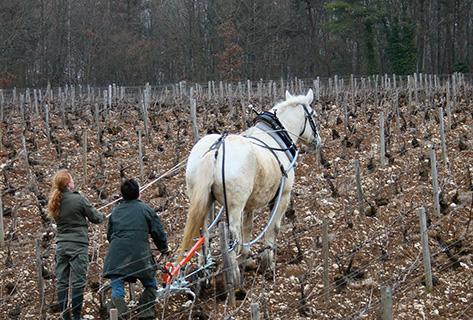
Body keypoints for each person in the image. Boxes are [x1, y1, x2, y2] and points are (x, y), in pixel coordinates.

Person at [103, 179, 169, 319]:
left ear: (122, 195)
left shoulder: (115, 211)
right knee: (151, 284)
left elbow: (110, 235)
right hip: (140, 257)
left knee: (117, 287)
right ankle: (145, 312)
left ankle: (121, 313)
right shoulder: (145, 209)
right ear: (139, 193)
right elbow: (158, 232)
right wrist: (164, 248)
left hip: (116, 257)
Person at [47, 169, 105, 320]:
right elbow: (96, 218)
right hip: (78, 246)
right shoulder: (78, 199)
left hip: (61, 246)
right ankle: (76, 316)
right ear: (68, 184)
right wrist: (102, 216)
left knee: (62, 282)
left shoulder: (56, 201)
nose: (73, 182)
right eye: (71, 180)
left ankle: (65, 316)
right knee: (78, 283)